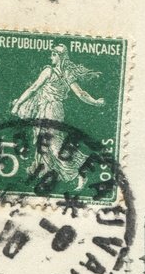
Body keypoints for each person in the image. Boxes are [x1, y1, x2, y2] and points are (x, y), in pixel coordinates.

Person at [9, 43, 106, 187]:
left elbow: (33, 88)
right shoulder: (66, 74)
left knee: (53, 145)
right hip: (51, 109)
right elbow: (81, 94)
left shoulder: (50, 72)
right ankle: (45, 174)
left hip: (50, 110)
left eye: (53, 54)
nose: (51, 57)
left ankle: (79, 173)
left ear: (59, 56)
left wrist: (17, 105)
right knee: (45, 144)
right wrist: (95, 102)